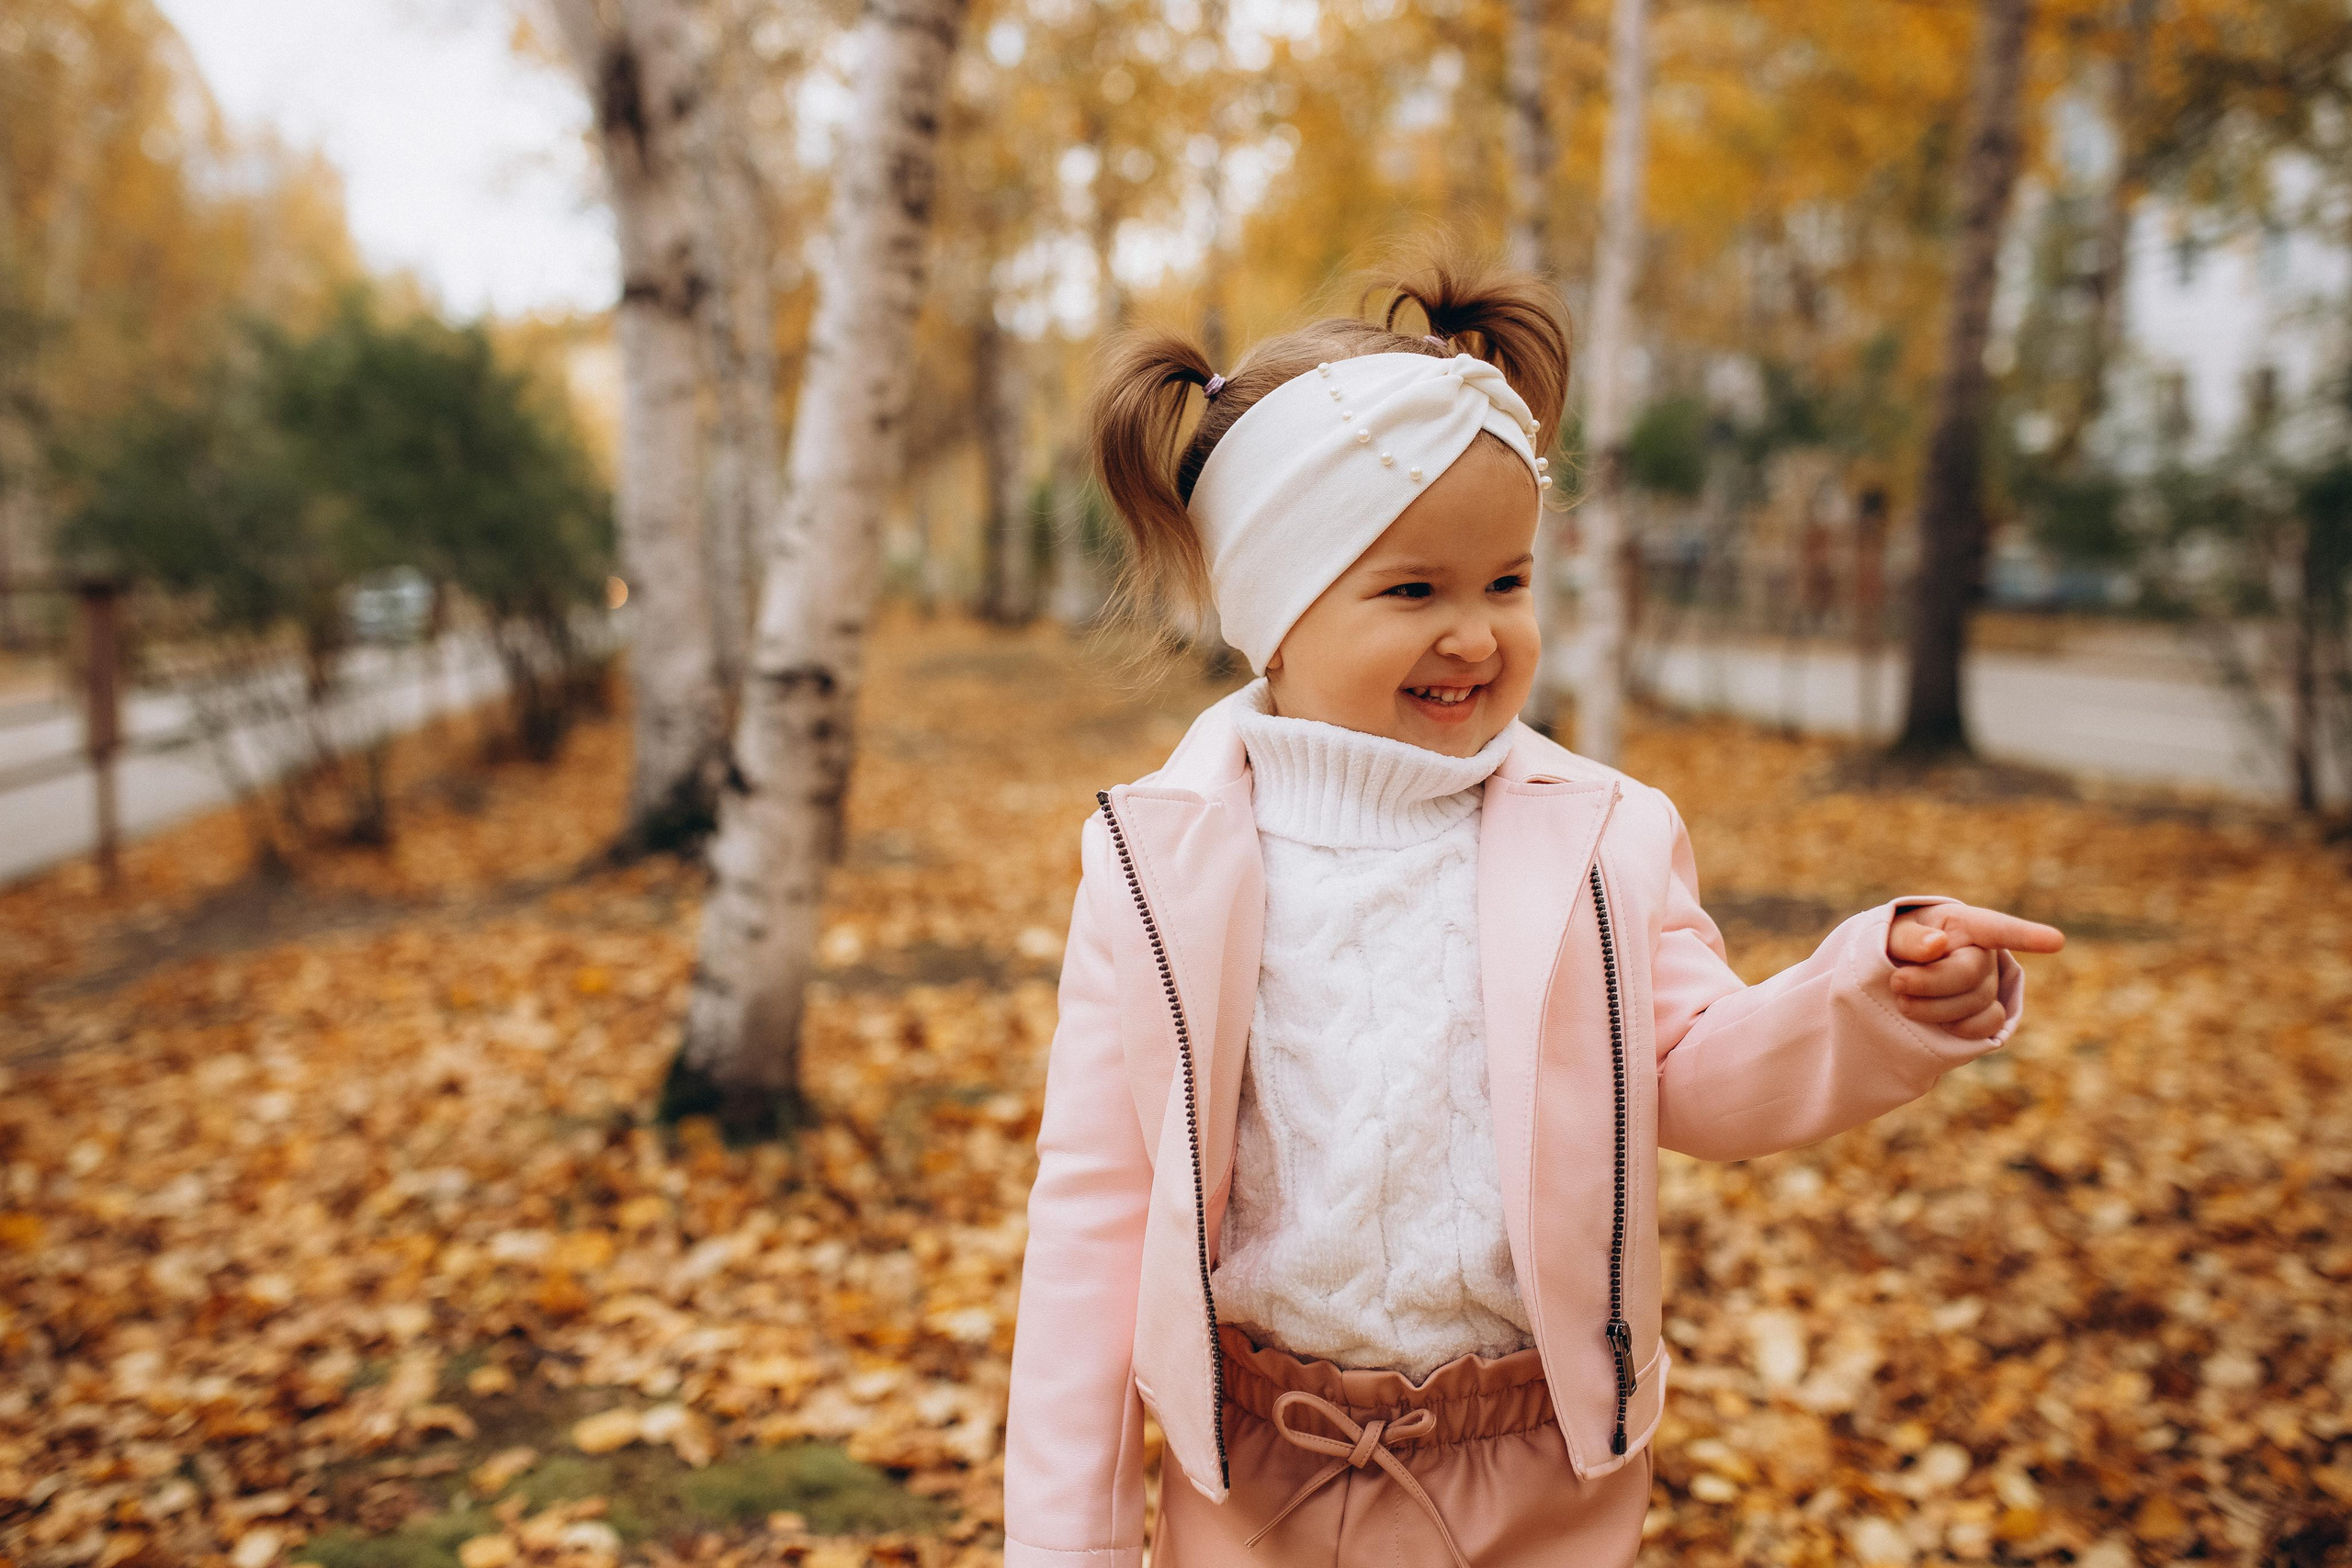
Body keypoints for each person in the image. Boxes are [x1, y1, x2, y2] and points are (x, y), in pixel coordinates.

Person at [1001, 254, 2064, 1567]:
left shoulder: (1603, 836)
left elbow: (1690, 1069)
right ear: (1270, 615)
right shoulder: (1159, 862)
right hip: (1258, 1473)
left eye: (1506, 583)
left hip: (1540, 1469)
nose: (1475, 634)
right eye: (1413, 591)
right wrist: (1071, 1546)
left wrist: (1872, 993)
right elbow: (1096, 1214)